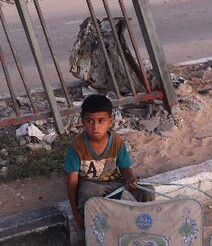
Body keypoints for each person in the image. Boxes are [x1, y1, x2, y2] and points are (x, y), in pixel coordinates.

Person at [64, 94, 152, 228]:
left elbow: (125, 169)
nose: (95, 127)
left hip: (114, 185)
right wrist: (75, 213)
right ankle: (99, 231)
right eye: (89, 121)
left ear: (110, 121)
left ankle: (143, 226)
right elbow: (72, 182)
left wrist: (130, 179)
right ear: (82, 121)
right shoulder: (77, 147)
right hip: (91, 187)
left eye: (101, 121)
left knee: (148, 191)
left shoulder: (116, 141)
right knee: (89, 193)